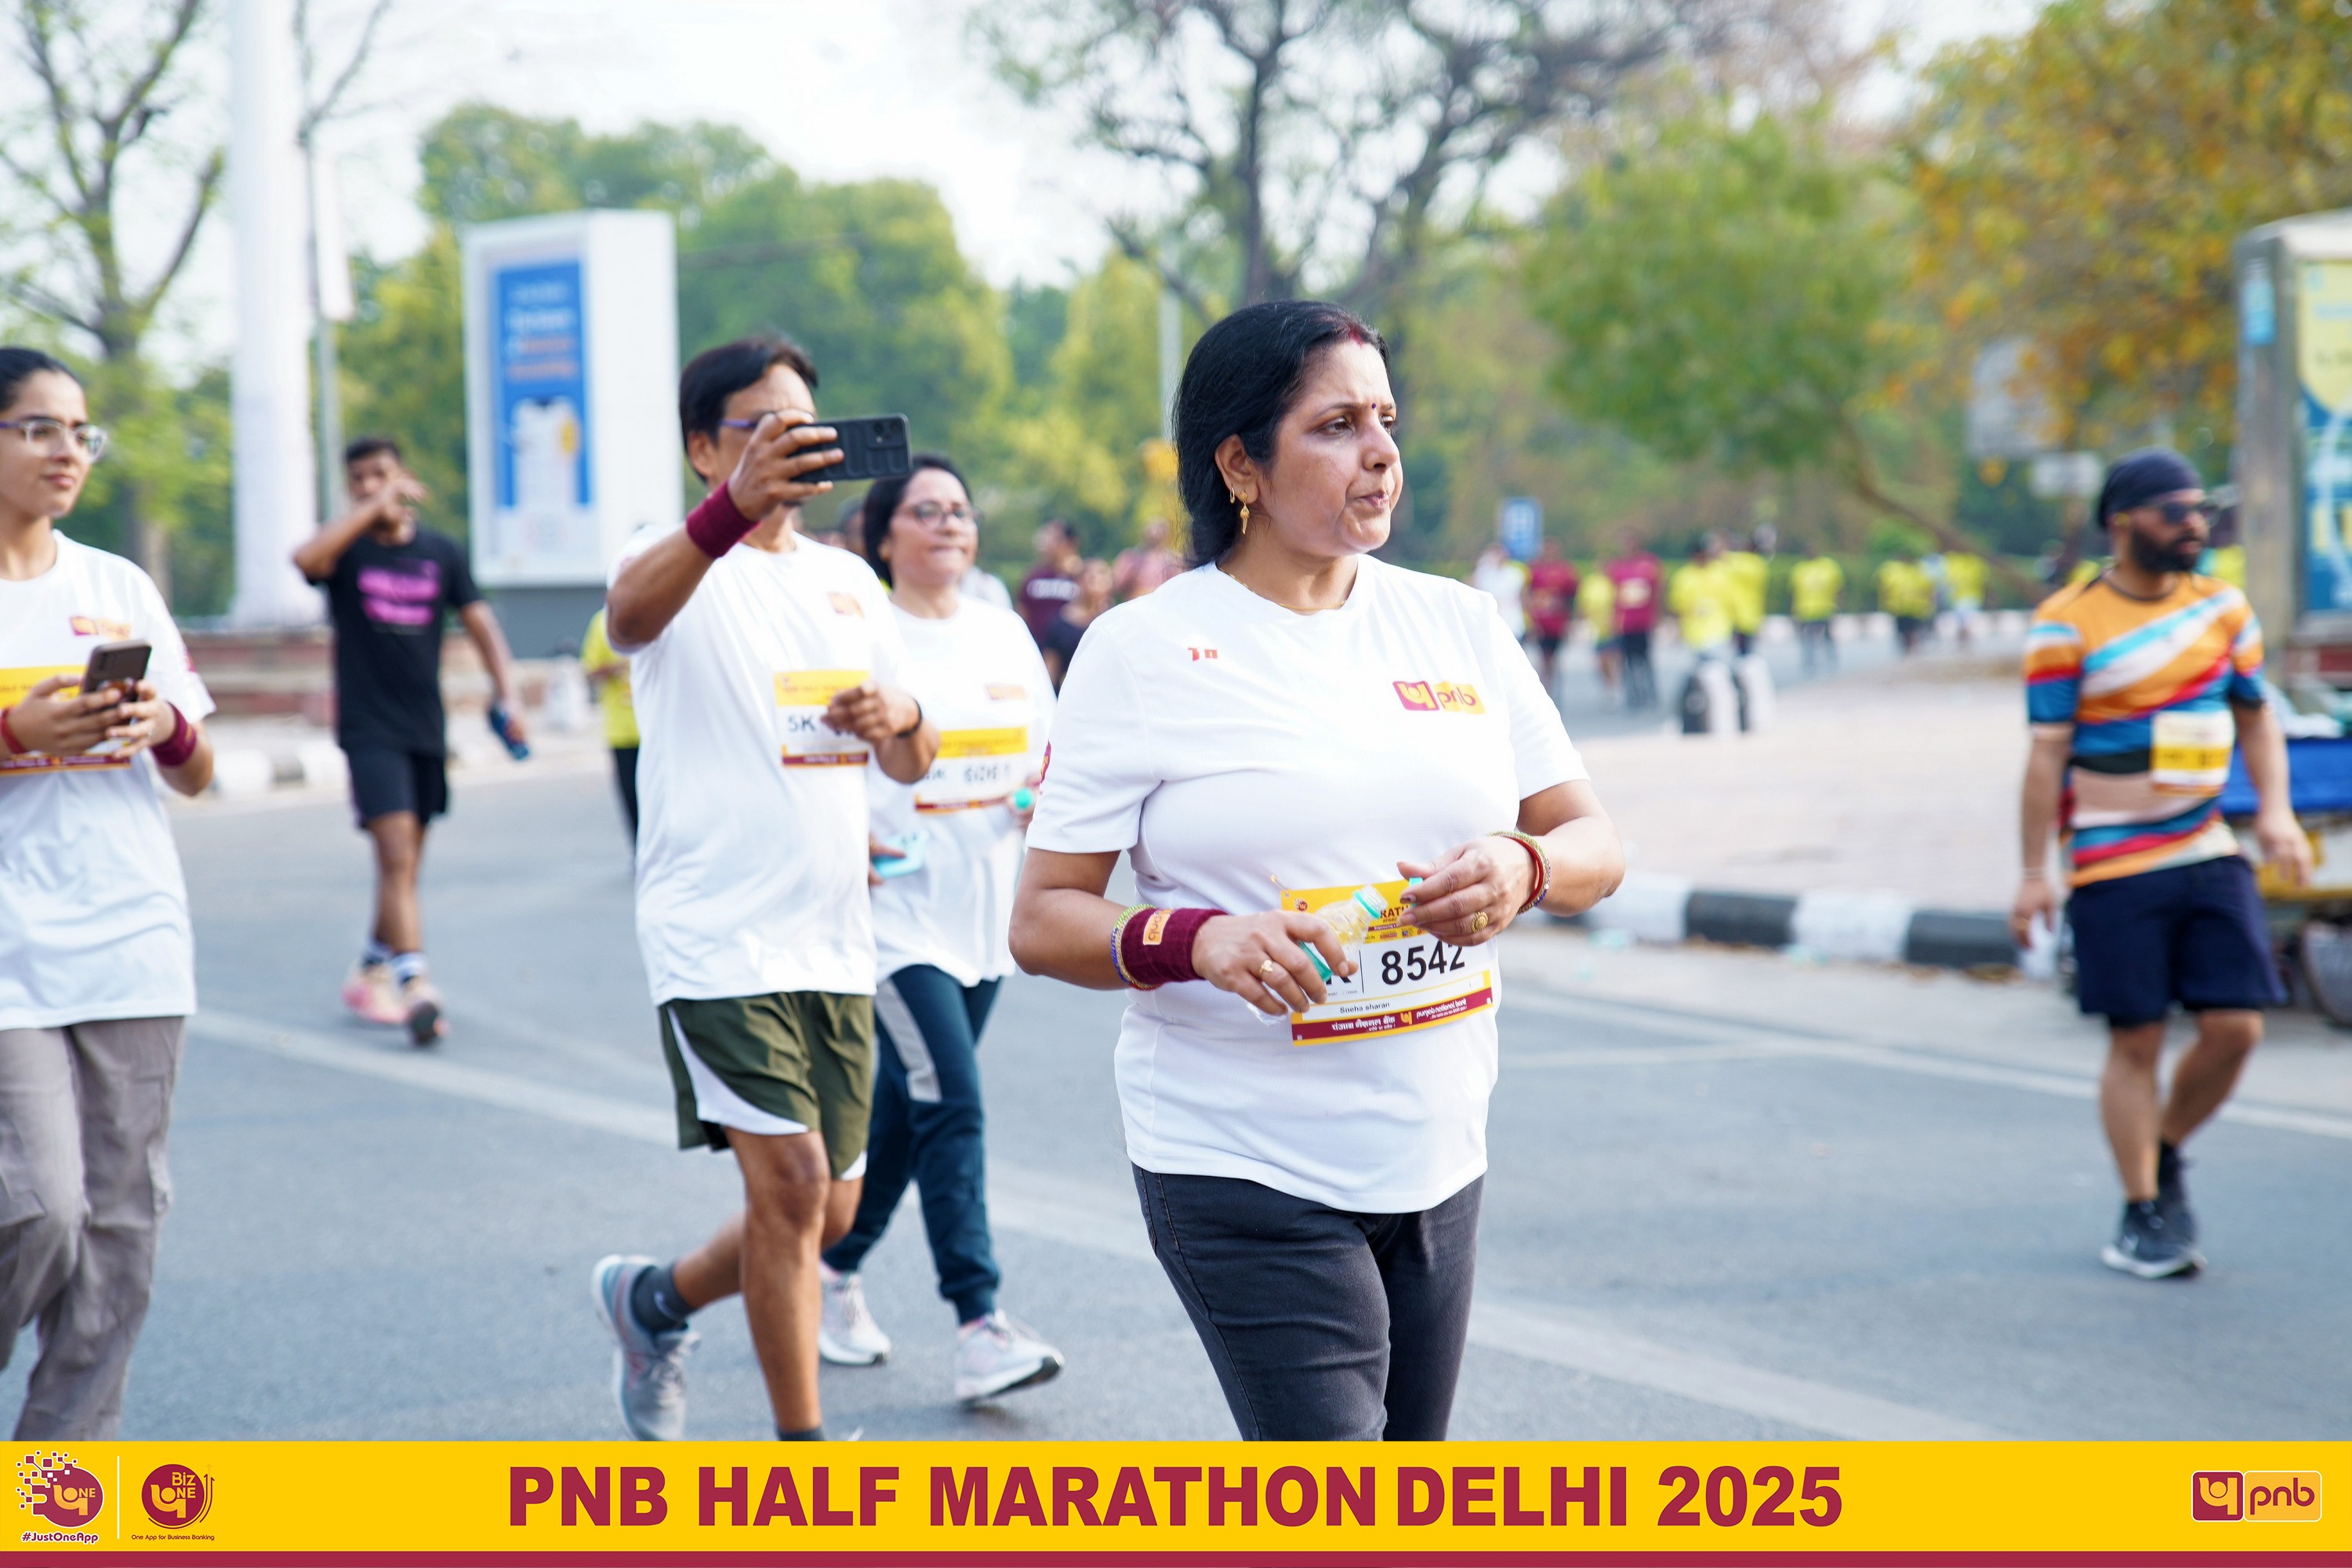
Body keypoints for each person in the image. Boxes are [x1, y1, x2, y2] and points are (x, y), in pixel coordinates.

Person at [1007, 300, 1624, 1441]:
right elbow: (1044, 919)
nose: (1380, 452)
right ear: (1240, 464)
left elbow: (1596, 844)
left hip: (1437, 1148)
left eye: (1385, 419)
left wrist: (1522, 864)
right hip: (1241, 1157)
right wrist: (1200, 939)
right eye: (1337, 426)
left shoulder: (1458, 625)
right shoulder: (1142, 649)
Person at [588, 336, 939, 1442]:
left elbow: (912, 759)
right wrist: (728, 512)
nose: (795, 446)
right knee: (790, 1184)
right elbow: (627, 619)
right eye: (764, 428)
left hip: (833, 936)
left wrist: (900, 719)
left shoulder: (846, 582)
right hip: (715, 933)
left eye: (806, 428)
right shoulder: (674, 559)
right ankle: (805, 1462)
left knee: (823, 1209)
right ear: (706, 449)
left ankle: (655, 1301)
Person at [2010, 448, 2311, 1280]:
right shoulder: (2067, 623)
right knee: (2136, 1036)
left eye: (2200, 510)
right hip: (2110, 861)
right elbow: (2046, 754)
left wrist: (2276, 812)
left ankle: (2164, 1145)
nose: (2194, 526)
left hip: (2207, 845)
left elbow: (2257, 718)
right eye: (2175, 511)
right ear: (2122, 522)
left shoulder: (2222, 607)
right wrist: (2034, 873)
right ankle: (2143, 1208)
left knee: (2237, 1026)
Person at [0, 347, 216, 1438]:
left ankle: (54, 1500)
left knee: (121, 1240)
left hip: (132, 939)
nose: (68, 451)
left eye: (80, 432)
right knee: (41, 1208)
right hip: (9, 958)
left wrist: (161, 723)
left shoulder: (117, 586)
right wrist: (13, 731)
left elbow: (197, 769)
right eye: (39, 428)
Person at [818, 453, 1065, 1403]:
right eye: (925, 511)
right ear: (883, 535)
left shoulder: (1002, 632)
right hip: (896, 918)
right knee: (953, 1100)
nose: (949, 523)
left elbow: (1052, 751)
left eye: (959, 509)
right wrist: (840, 835)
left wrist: (1042, 796)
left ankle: (830, 1268)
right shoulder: (861, 634)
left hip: (987, 913)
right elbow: (812, 754)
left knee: (908, 1110)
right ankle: (978, 1322)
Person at [294, 437, 527, 1047]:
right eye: (360, 480)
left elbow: (481, 623)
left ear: (404, 476)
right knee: (396, 853)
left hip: (424, 726)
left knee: (405, 861)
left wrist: (508, 695)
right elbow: (305, 559)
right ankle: (415, 983)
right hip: (368, 728)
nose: (372, 486)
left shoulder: (440, 552)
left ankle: (372, 965)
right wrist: (370, 512)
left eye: (382, 475)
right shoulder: (346, 552)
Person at [579, 607, 640, 840]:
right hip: (621, 731)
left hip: (656, 732)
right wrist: (615, 668)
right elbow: (589, 670)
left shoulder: (660, 611)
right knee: (631, 797)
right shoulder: (602, 622)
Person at [1602, 533, 1662, 710]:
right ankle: (1632, 695)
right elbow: (1612, 595)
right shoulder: (1617, 566)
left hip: (1643, 620)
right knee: (1627, 660)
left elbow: (1658, 591)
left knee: (1645, 658)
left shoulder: (1649, 563)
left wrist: (1658, 616)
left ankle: (1650, 692)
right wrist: (1612, 618)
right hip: (1625, 622)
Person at [1040, 558, 1114, 689]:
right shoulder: (1061, 623)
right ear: (1079, 581)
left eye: (1103, 575)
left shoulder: (1114, 619)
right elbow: (1050, 668)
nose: (1097, 580)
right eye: (1091, 576)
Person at [1523, 537, 1578, 695]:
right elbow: (1527, 594)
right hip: (1541, 622)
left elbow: (1571, 597)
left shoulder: (1565, 570)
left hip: (1558, 621)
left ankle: (1552, 686)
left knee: (1554, 656)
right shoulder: (1534, 570)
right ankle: (1546, 687)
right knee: (1544, 656)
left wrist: (1570, 620)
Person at [1017, 521, 1080, 648]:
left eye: (1054, 538)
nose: (1047, 542)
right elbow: (1022, 613)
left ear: (1070, 543)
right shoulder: (1034, 577)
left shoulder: (1082, 578)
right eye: (1046, 537)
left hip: (1072, 650)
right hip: (1037, 648)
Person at [1669, 536, 1733, 658]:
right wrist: (1678, 632)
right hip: (1693, 635)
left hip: (1719, 632)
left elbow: (1732, 602)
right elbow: (1677, 607)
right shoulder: (1683, 577)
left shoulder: (1722, 573)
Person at [1789, 544, 1843, 674]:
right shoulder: (1799, 569)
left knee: (1827, 636)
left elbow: (1838, 588)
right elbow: (1793, 592)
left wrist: (1838, 605)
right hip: (1806, 610)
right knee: (1808, 638)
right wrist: (1793, 610)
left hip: (1825, 608)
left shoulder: (1829, 566)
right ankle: (1809, 663)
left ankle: (1831, 660)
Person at [1719, 529, 1770, 658]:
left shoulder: (1742, 562)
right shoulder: (1760, 565)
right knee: (1747, 648)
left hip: (1738, 613)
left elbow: (1724, 558)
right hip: (1753, 612)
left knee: (1739, 649)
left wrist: (1725, 542)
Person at [1113, 516, 1185, 601]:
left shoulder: (1173, 559)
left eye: (1161, 528)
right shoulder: (1130, 557)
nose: (1156, 532)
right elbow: (1117, 586)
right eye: (1152, 528)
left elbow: (1179, 587)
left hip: (1161, 603)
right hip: (1135, 603)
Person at [1576, 559, 1618, 699]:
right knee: (1600, 660)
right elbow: (1583, 603)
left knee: (1610, 658)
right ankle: (1608, 685)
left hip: (1611, 627)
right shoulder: (1590, 583)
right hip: (1595, 627)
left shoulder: (1613, 582)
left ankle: (1612, 685)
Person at [1471, 543, 1528, 645]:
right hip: (1490, 620)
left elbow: (1520, 596)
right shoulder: (1484, 573)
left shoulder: (1515, 573)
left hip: (1511, 618)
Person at [1944, 550, 1987, 648]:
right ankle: (1965, 643)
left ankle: (1965, 643)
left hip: (1970, 598)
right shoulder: (1955, 563)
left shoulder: (1973, 564)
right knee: (1963, 624)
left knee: (1966, 623)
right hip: (1959, 599)